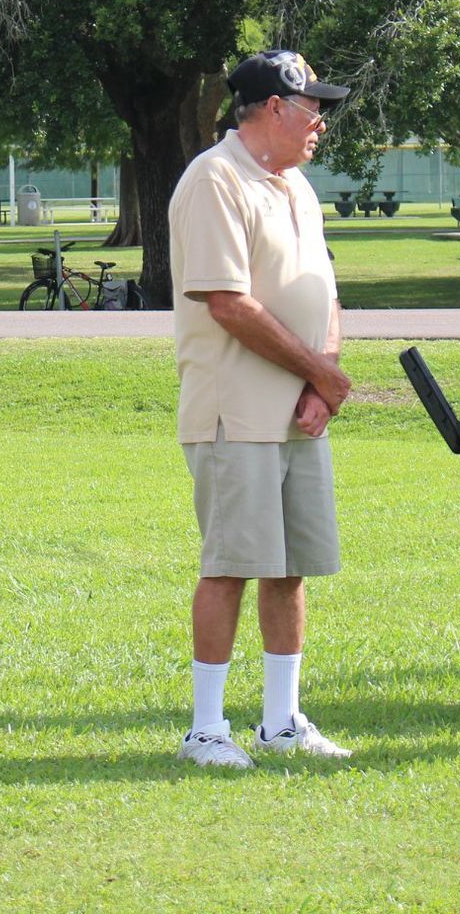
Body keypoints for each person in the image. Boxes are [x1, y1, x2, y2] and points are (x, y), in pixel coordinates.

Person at [167, 48, 353, 769]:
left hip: (298, 411)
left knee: (290, 567)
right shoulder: (214, 180)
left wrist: (321, 378)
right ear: (274, 108)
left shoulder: (295, 184)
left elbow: (324, 290)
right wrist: (319, 374)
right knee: (231, 566)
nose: (320, 126)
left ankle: (282, 720)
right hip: (235, 414)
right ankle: (207, 730)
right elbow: (227, 304)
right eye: (313, 110)